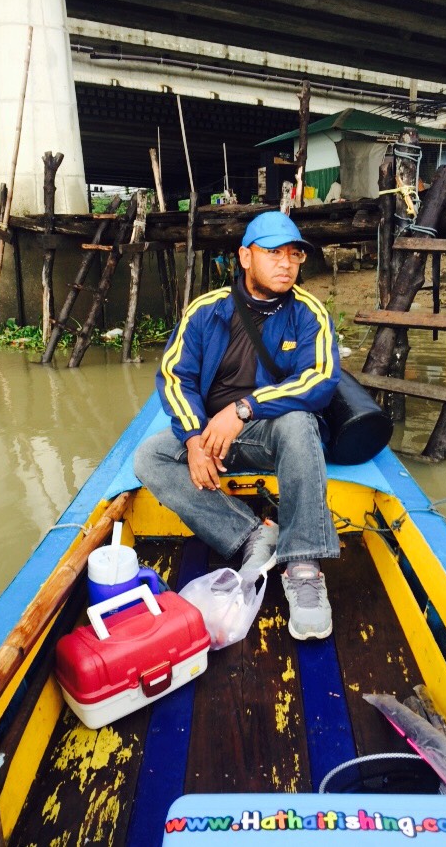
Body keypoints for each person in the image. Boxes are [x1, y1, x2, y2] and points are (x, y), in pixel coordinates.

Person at [134, 211, 341, 639]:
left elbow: (319, 379)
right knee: (149, 457)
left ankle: (302, 564)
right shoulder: (206, 311)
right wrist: (193, 438)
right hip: (213, 431)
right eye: (272, 253)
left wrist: (245, 408)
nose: (286, 263)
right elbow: (176, 377)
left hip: (272, 429)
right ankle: (250, 535)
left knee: (301, 423)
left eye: (294, 254)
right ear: (245, 257)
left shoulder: (309, 313)